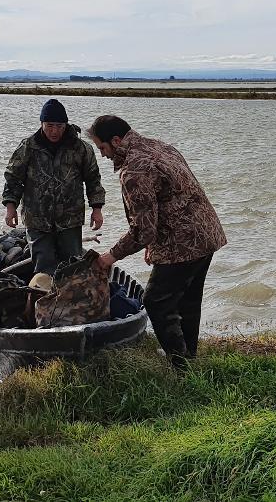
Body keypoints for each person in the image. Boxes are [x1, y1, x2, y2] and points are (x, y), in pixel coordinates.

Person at [87, 116, 226, 371]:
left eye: (102, 148)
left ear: (116, 141)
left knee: (156, 301)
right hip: (206, 234)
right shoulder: (160, 146)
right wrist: (152, 247)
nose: (103, 155)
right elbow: (170, 202)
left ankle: (179, 366)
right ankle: (189, 360)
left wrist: (110, 256)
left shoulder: (135, 169)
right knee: (189, 300)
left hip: (182, 244)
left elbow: (143, 230)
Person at [2, 99, 106, 289]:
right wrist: (10, 208)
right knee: (43, 268)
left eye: (59, 126)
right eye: (49, 126)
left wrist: (96, 209)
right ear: (42, 124)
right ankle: (45, 308)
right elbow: (13, 179)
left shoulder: (81, 148)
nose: (54, 131)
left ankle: (72, 308)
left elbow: (93, 180)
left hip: (70, 219)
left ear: (66, 125)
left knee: (73, 267)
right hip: (37, 219)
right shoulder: (28, 147)